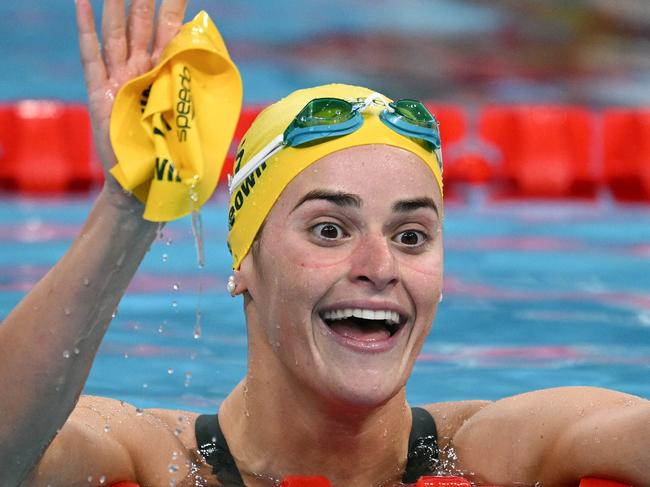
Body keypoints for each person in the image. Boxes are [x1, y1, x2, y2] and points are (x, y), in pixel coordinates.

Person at [0, 1, 649, 486]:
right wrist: (130, 209)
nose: (379, 267)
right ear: (244, 261)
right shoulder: (157, 460)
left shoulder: (504, 451)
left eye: (412, 235)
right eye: (330, 229)